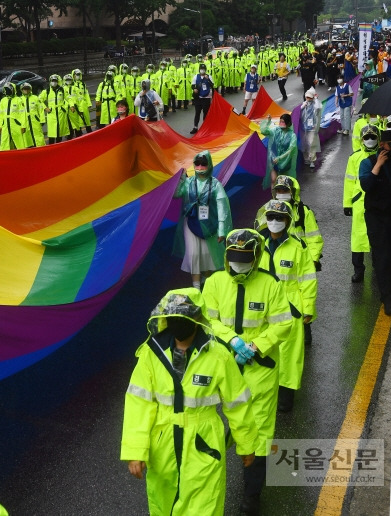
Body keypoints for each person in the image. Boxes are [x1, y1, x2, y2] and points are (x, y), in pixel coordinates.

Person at [120, 288, 258, 516]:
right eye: (173, 317)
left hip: (203, 444)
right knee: (163, 505)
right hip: (163, 445)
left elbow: (238, 402)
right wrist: (136, 449)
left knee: (203, 507)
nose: (178, 323)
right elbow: (139, 402)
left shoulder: (218, 356)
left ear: (197, 318)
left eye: (183, 318)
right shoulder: (152, 354)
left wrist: (246, 443)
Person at [202, 229, 292, 515]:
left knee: (260, 429)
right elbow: (208, 320)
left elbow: (282, 324)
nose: (238, 264)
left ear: (256, 257)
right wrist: (233, 341)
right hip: (224, 365)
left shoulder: (270, 284)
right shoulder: (214, 282)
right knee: (209, 421)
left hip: (258, 367)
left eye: (245, 258)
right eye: (234, 258)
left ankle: (252, 494)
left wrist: (255, 345)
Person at [254, 200, 317, 412]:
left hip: (291, 309)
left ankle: (285, 399)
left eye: (279, 218)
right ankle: (264, 393)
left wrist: (307, 309)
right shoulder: (256, 246)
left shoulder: (298, 247)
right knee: (264, 349)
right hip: (263, 309)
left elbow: (307, 279)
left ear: (288, 221)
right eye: (270, 217)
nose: (274, 221)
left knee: (289, 356)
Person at [173, 151, 232, 290]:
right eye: (197, 163)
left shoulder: (216, 185)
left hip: (208, 225)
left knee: (207, 255)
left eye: (203, 164)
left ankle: (206, 278)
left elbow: (222, 207)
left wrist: (222, 230)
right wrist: (181, 179)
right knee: (193, 254)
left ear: (209, 165)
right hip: (191, 223)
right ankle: (196, 287)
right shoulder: (188, 182)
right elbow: (176, 194)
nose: (200, 167)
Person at [359, 119, 391, 316]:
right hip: (376, 217)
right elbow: (366, 185)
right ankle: (387, 296)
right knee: (382, 255)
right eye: (390, 145)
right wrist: (378, 166)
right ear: (382, 145)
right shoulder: (367, 163)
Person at [343, 124, 380, 283]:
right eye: (366, 137)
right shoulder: (355, 157)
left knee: (378, 237)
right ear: (362, 139)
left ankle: (379, 269)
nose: (370, 140)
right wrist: (347, 203)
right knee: (358, 238)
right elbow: (349, 182)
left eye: (373, 137)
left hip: (379, 203)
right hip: (360, 203)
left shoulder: (383, 156)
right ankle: (358, 270)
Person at [260, 113, 298, 191]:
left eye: (283, 122)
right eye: (280, 121)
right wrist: (268, 122)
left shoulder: (292, 135)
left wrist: (280, 158)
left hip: (285, 162)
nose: (281, 123)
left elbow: (291, 149)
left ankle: (282, 198)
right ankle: (274, 197)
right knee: (274, 180)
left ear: (288, 123)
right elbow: (264, 131)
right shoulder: (275, 130)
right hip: (273, 160)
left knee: (282, 183)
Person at [0, 82, 25, 151]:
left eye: (9, 89)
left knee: (19, 142)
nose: (7, 91)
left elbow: (23, 114)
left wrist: (23, 126)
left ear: (13, 90)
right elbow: (0, 114)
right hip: (5, 125)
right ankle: (3, 158)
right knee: (4, 142)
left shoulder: (18, 100)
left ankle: (23, 157)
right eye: (6, 90)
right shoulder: (3, 101)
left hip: (16, 125)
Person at [40, 74, 69, 143]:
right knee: (52, 132)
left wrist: (65, 108)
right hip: (51, 113)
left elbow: (68, 99)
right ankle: (51, 146)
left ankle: (59, 146)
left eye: (55, 81)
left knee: (60, 131)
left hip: (60, 113)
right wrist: (45, 108)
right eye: (52, 81)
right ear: (50, 81)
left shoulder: (62, 90)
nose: (54, 82)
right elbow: (39, 100)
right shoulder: (46, 91)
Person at [299, 87, 322, 169]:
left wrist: (316, 99)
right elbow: (298, 113)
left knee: (311, 143)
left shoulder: (315, 105)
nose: (308, 98)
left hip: (312, 128)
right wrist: (302, 107)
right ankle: (306, 158)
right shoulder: (304, 104)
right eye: (307, 97)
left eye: (309, 97)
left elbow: (319, 108)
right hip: (303, 128)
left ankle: (312, 160)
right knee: (304, 144)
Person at [19, 82, 46, 147]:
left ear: (30, 89)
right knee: (27, 138)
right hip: (25, 122)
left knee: (38, 135)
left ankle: (41, 149)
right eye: (24, 89)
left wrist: (42, 120)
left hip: (35, 121)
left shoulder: (35, 98)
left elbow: (41, 110)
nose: (26, 90)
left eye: (27, 88)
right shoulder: (19, 100)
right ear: (21, 90)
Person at [190, 62, 214, 134]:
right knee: (197, 113)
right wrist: (194, 89)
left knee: (206, 113)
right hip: (198, 98)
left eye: (203, 69)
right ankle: (195, 127)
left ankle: (205, 127)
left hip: (206, 97)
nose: (202, 70)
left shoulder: (209, 76)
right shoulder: (195, 77)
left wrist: (208, 79)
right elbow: (192, 85)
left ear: (205, 70)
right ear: (199, 70)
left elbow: (212, 85)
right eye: (201, 69)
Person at [72, 69, 93, 134]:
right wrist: (73, 105)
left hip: (84, 104)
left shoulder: (83, 84)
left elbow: (86, 94)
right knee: (78, 121)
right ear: (73, 76)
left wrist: (89, 103)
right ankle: (79, 134)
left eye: (78, 75)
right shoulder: (72, 86)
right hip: (76, 105)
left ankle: (89, 132)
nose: (77, 76)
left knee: (87, 119)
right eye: (76, 75)